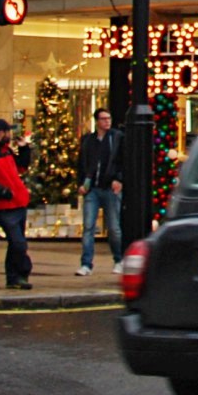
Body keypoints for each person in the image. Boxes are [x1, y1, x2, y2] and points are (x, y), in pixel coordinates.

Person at [0, 119, 34, 290]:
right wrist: (3, 192)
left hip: (17, 202)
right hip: (4, 204)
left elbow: (21, 167)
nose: (10, 135)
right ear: (1, 133)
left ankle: (13, 278)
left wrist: (24, 148)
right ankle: (22, 272)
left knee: (15, 243)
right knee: (18, 243)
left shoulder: (6, 150)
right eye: (8, 132)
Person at [76, 108, 124, 277]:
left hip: (110, 187)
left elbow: (121, 161)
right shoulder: (88, 140)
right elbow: (81, 163)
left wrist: (119, 179)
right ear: (97, 121)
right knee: (88, 227)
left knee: (114, 227)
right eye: (103, 119)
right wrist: (81, 183)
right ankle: (86, 264)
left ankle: (119, 260)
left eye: (108, 118)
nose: (107, 122)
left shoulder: (117, 138)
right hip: (92, 188)